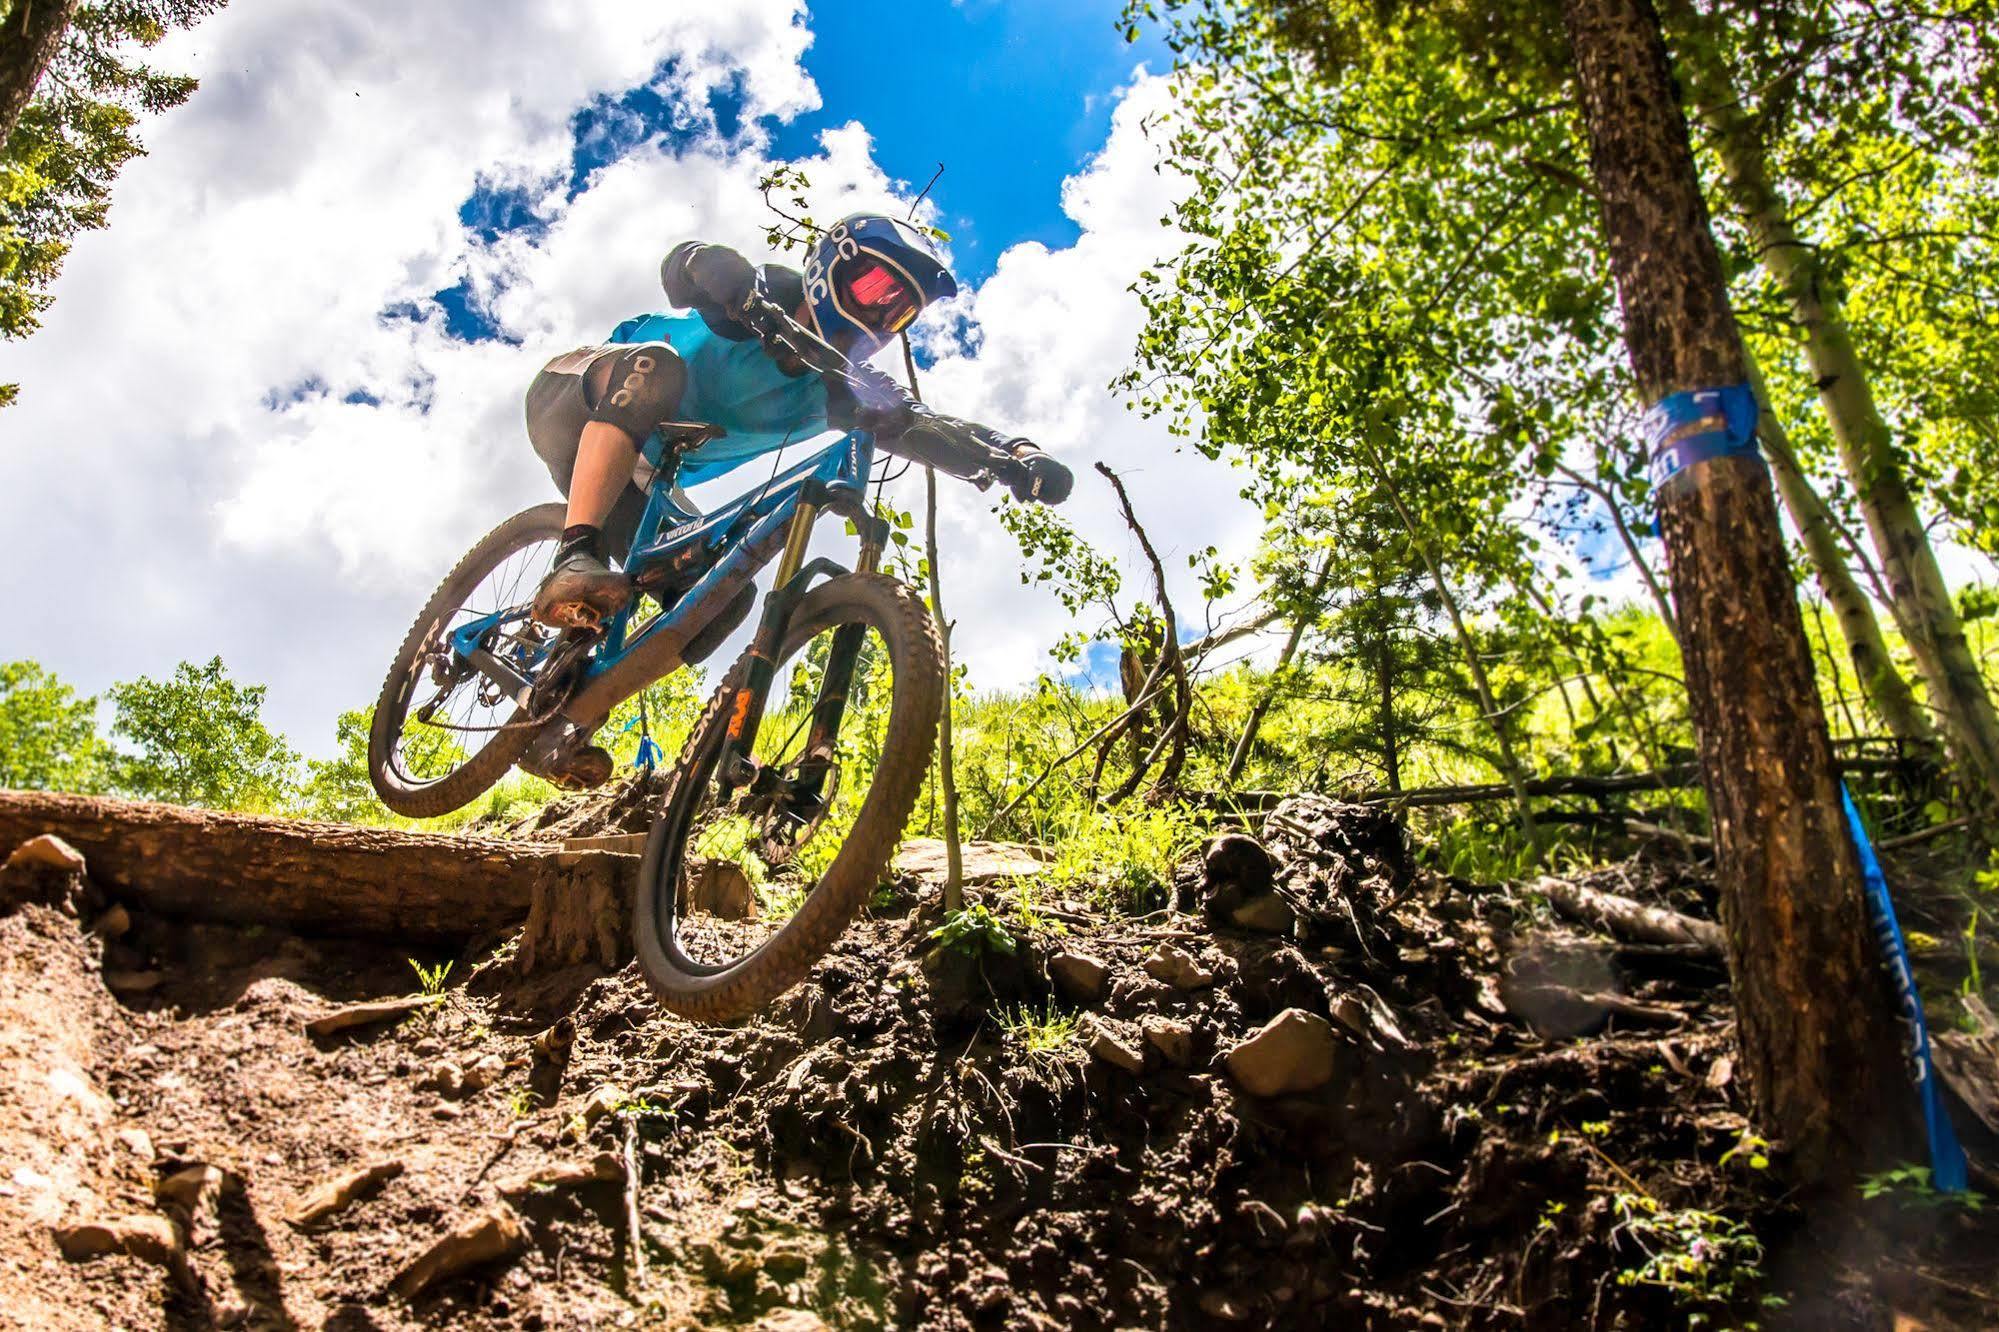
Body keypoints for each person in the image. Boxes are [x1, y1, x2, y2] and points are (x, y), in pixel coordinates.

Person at [525, 213, 1074, 632]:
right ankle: (575, 552)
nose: (878, 317)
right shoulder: (754, 298)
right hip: (576, 398)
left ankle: (567, 708)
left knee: (721, 600)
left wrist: (1012, 453)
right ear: (832, 266)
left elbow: (926, 425)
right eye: (873, 291)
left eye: (896, 311)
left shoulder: (838, 391)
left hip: (639, 478)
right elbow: (681, 269)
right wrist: (719, 270)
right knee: (658, 369)